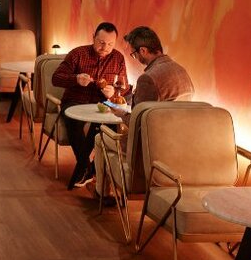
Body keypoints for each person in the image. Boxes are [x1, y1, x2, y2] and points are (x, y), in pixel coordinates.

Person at [92, 26, 194, 195]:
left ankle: (102, 192)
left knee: (100, 137)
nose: (135, 58)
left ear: (144, 50)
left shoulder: (148, 78)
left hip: (150, 149)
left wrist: (121, 113)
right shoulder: (182, 71)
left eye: (134, 54)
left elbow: (138, 123)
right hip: (178, 147)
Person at [51, 21, 126, 189]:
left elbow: (124, 86)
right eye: (101, 43)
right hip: (74, 100)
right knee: (74, 124)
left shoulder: (118, 58)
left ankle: (97, 174)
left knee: (107, 126)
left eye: (110, 44)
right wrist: (75, 79)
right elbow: (56, 78)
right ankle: (88, 168)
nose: (105, 47)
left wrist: (113, 92)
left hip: (103, 104)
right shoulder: (78, 54)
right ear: (93, 38)